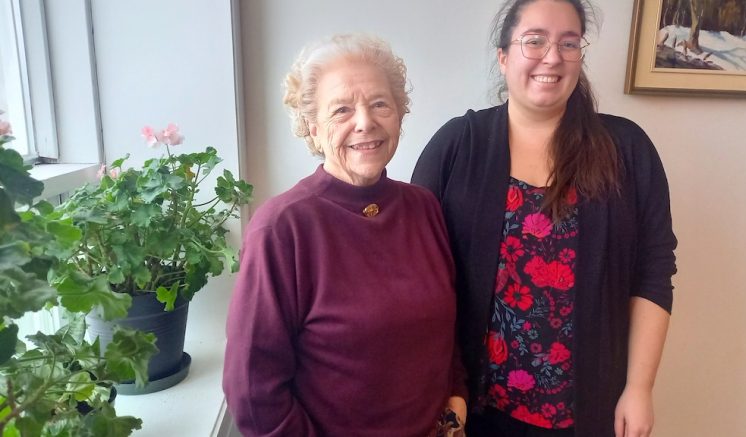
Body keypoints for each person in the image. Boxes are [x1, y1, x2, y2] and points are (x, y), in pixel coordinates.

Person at [411, 1, 677, 436]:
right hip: (470, 409)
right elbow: (416, 273)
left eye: (568, 43)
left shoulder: (626, 150)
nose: (552, 57)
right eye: (534, 40)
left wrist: (639, 387)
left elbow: (653, 272)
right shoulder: (459, 145)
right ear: (503, 55)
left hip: (588, 411)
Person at [223, 34, 466, 437]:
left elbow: (446, 327)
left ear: (400, 115)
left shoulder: (424, 208)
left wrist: (456, 395)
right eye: (341, 110)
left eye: (379, 104)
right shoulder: (282, 229)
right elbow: (252, 391)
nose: (365, 122)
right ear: (313, 129)